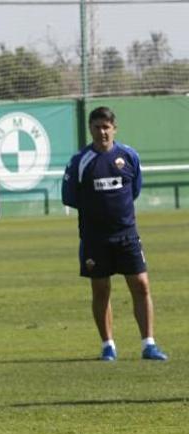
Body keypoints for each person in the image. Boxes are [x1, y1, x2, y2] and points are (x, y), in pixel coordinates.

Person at [62, 106, 168, 362]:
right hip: (95, 238)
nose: (102, 132)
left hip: (127, 235)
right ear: (90, 129)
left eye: (106, 127)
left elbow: (134, 190)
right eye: (97, 127)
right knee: (101, 289)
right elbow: (70, 197)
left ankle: (148, 344)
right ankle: (108, 345)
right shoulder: (80, 161)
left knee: (141, 285)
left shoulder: (129, 156)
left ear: (114, 128)